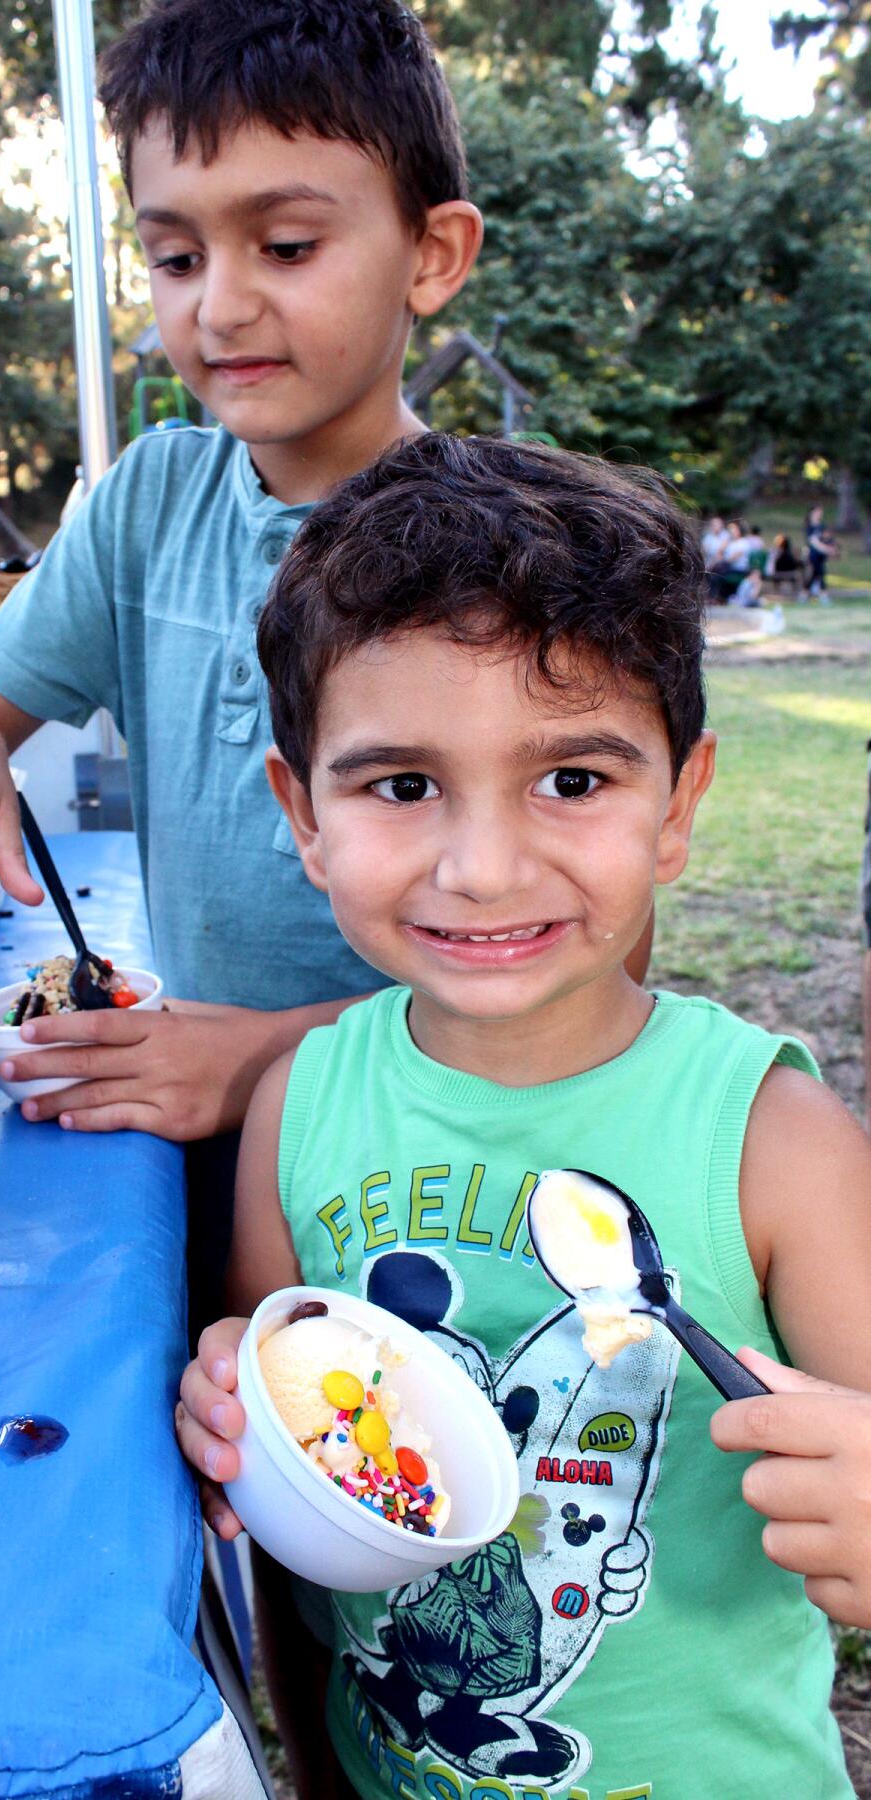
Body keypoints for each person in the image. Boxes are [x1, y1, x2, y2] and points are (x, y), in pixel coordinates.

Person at [177, 434, 871, 1800]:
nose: (483, 868)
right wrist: (230, 1399)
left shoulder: (776, 1142)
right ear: (302, 814)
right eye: (400, 784)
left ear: (679, 807)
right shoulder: (296, 1110)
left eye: (571, 779)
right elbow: (289, 1500)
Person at [0, 0, 485, 1329]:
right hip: (211, 1148)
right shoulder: (149, 506)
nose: (223, 305)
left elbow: (591, 977)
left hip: (446, 1172)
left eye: (288, 244)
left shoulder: (505, 563)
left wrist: (256, 1059)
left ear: (431, 255)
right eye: (177, 255)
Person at [805, 503, 840, 600]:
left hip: (821, 555)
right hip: (813, 554)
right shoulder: (810, 526)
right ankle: (823, 594)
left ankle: (804, 593)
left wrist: (832, 548)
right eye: (817, 511)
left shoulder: (821, 526)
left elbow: (827, 538)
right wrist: (826, 548)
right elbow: (813, 542)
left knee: (815, 574)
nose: (819, 514)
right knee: (821, 572)